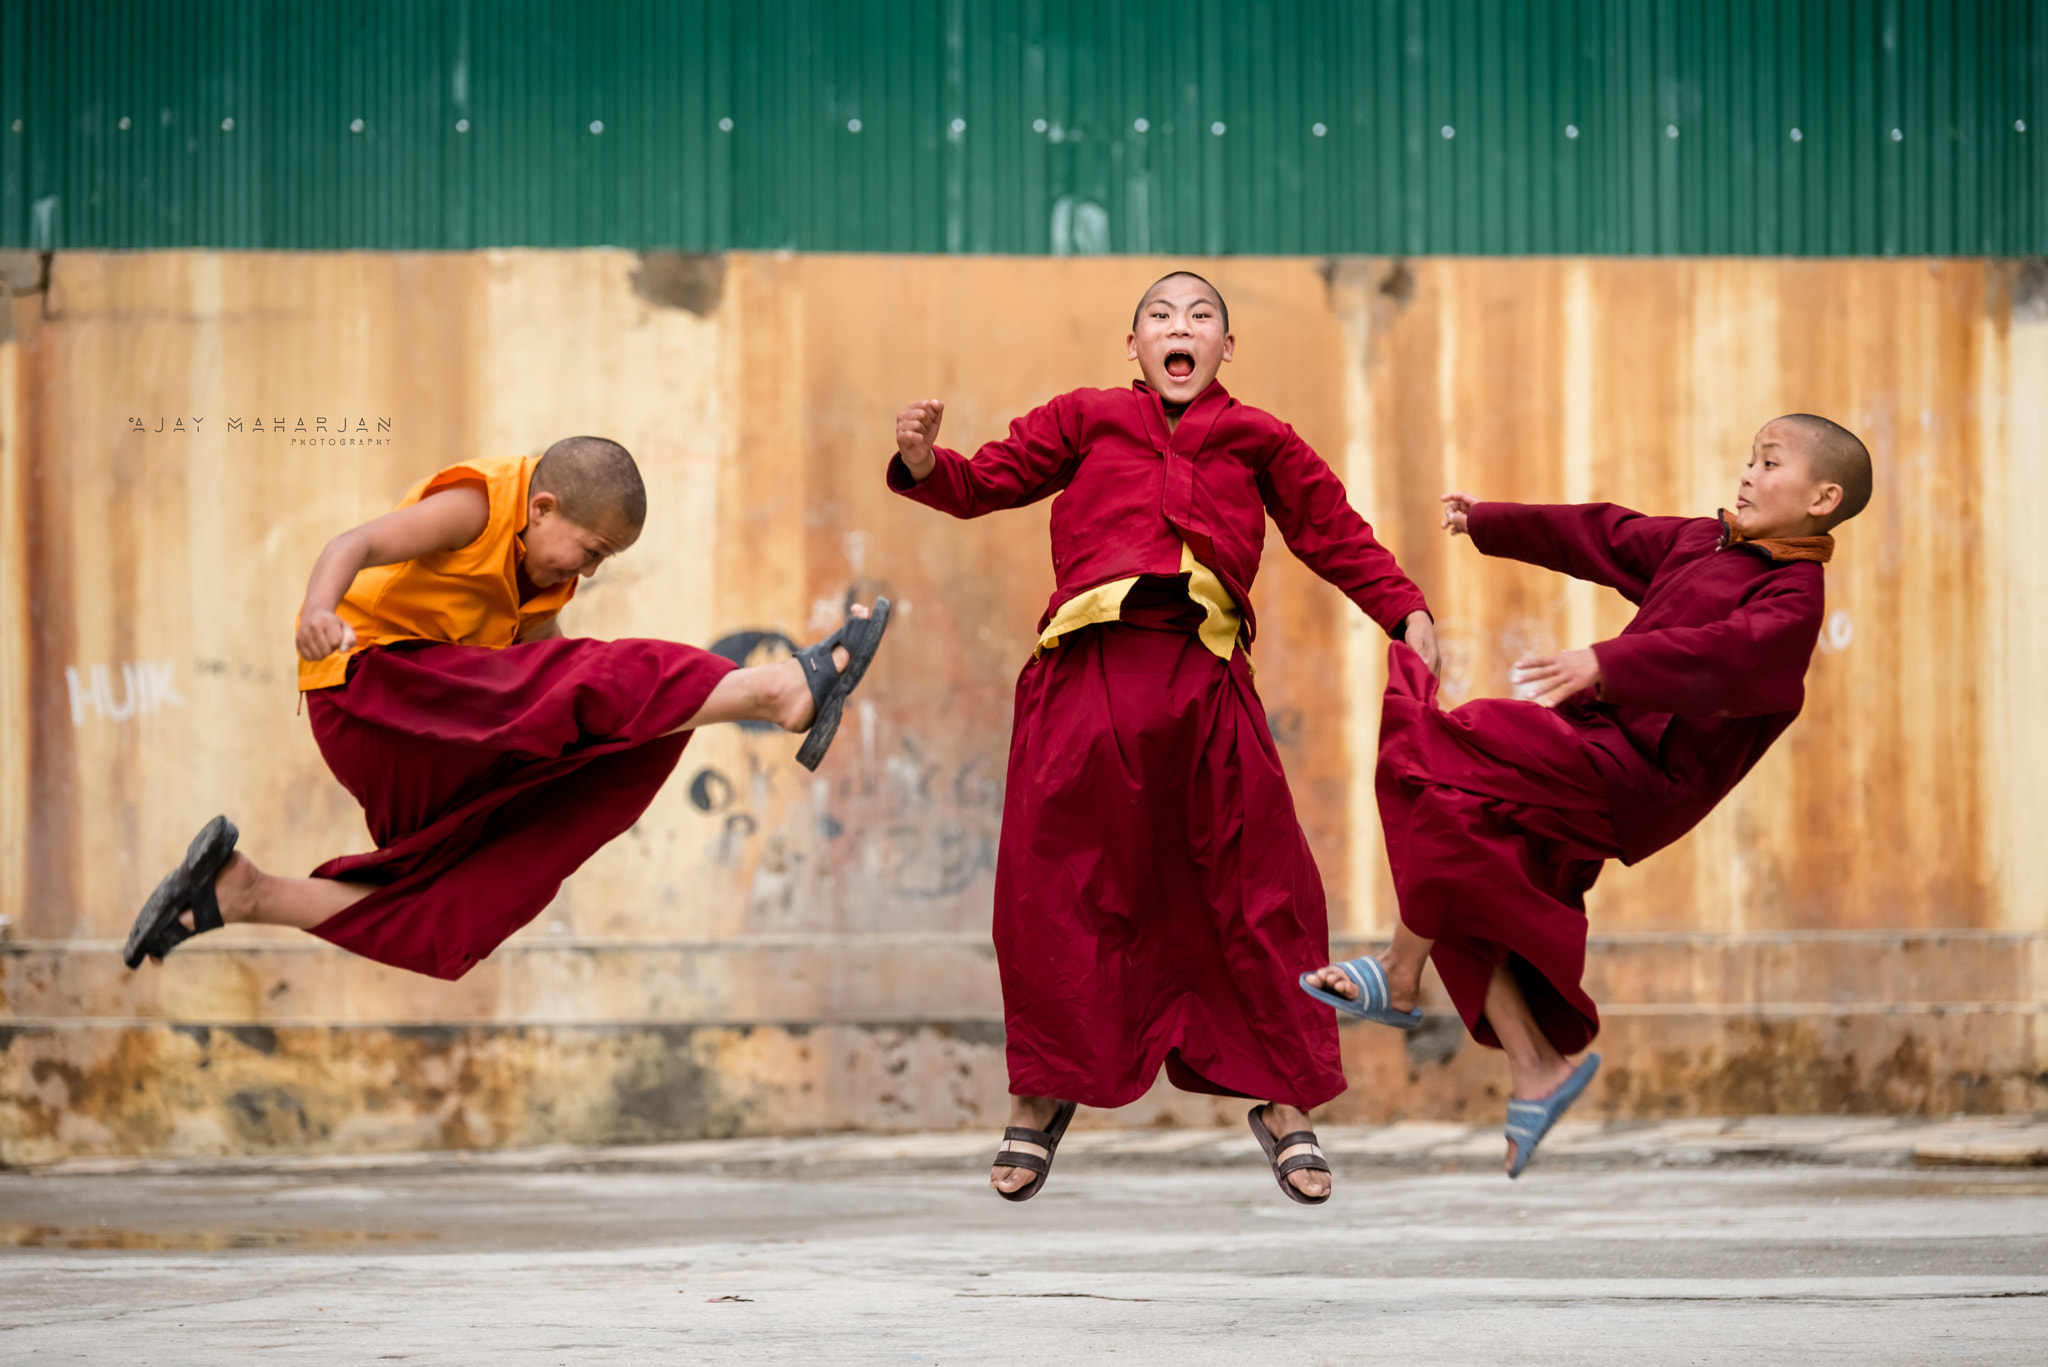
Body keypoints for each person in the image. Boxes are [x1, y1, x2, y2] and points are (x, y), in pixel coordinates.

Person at [890, 272, 1437, 1204]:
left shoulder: (1262, 438)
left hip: (1205, 683)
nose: (1179, 327)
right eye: (1160, 316)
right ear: (1133, 345)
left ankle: (1284, 1100)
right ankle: (1040, 1097)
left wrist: (1404, 609)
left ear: (1227, 349)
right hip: (1082, 682)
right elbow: (985, 482)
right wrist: (923, 457)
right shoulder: (1086, 416)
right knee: (1055, 890)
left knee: (1262, 888)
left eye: (1201, 317)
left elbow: (1332, 531)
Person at [1302, 415, 1872, 1178]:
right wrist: (1491, 521)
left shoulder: (1791, 597)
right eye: (1748, 457)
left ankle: (1399, 974)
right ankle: (1537, 1069)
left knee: (1457, 737)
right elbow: (1604, 534)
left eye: (1770, 463)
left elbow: (1733, 658)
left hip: (1641, 777)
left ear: (1822, 497)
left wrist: (1609, 663)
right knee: (1456, 836)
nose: (1747, 473)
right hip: (1592, 745)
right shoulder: (1704, 543)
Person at [124, 437, 888, 980]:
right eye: (588, 550)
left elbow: (551, 668)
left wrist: (603, 714)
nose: (588, 570)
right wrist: (316, 613)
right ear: (544, 506)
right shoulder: (478, 505)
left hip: (421, 728)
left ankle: (242, 893)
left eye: (603, 561)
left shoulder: (545, 573)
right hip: (370, 684)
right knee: (606, 677)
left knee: (473, 895)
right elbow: (349, 543)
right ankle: (775, 689)